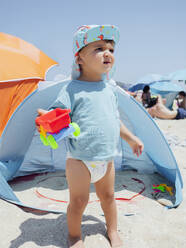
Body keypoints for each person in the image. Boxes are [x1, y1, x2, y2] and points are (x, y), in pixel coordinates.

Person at [37, 25, 143, 248]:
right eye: (99, 48)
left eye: (111, 50)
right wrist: (48, 118)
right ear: (80, 59)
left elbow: (115, 121)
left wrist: (131, 138)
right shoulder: (71, 89)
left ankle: (112, 231)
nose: (108, 53)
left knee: (109, 197)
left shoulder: (110, 90)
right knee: (78, 201)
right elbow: (59, 115)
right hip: (79, 159)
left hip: (107, 159)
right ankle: (74, 236)